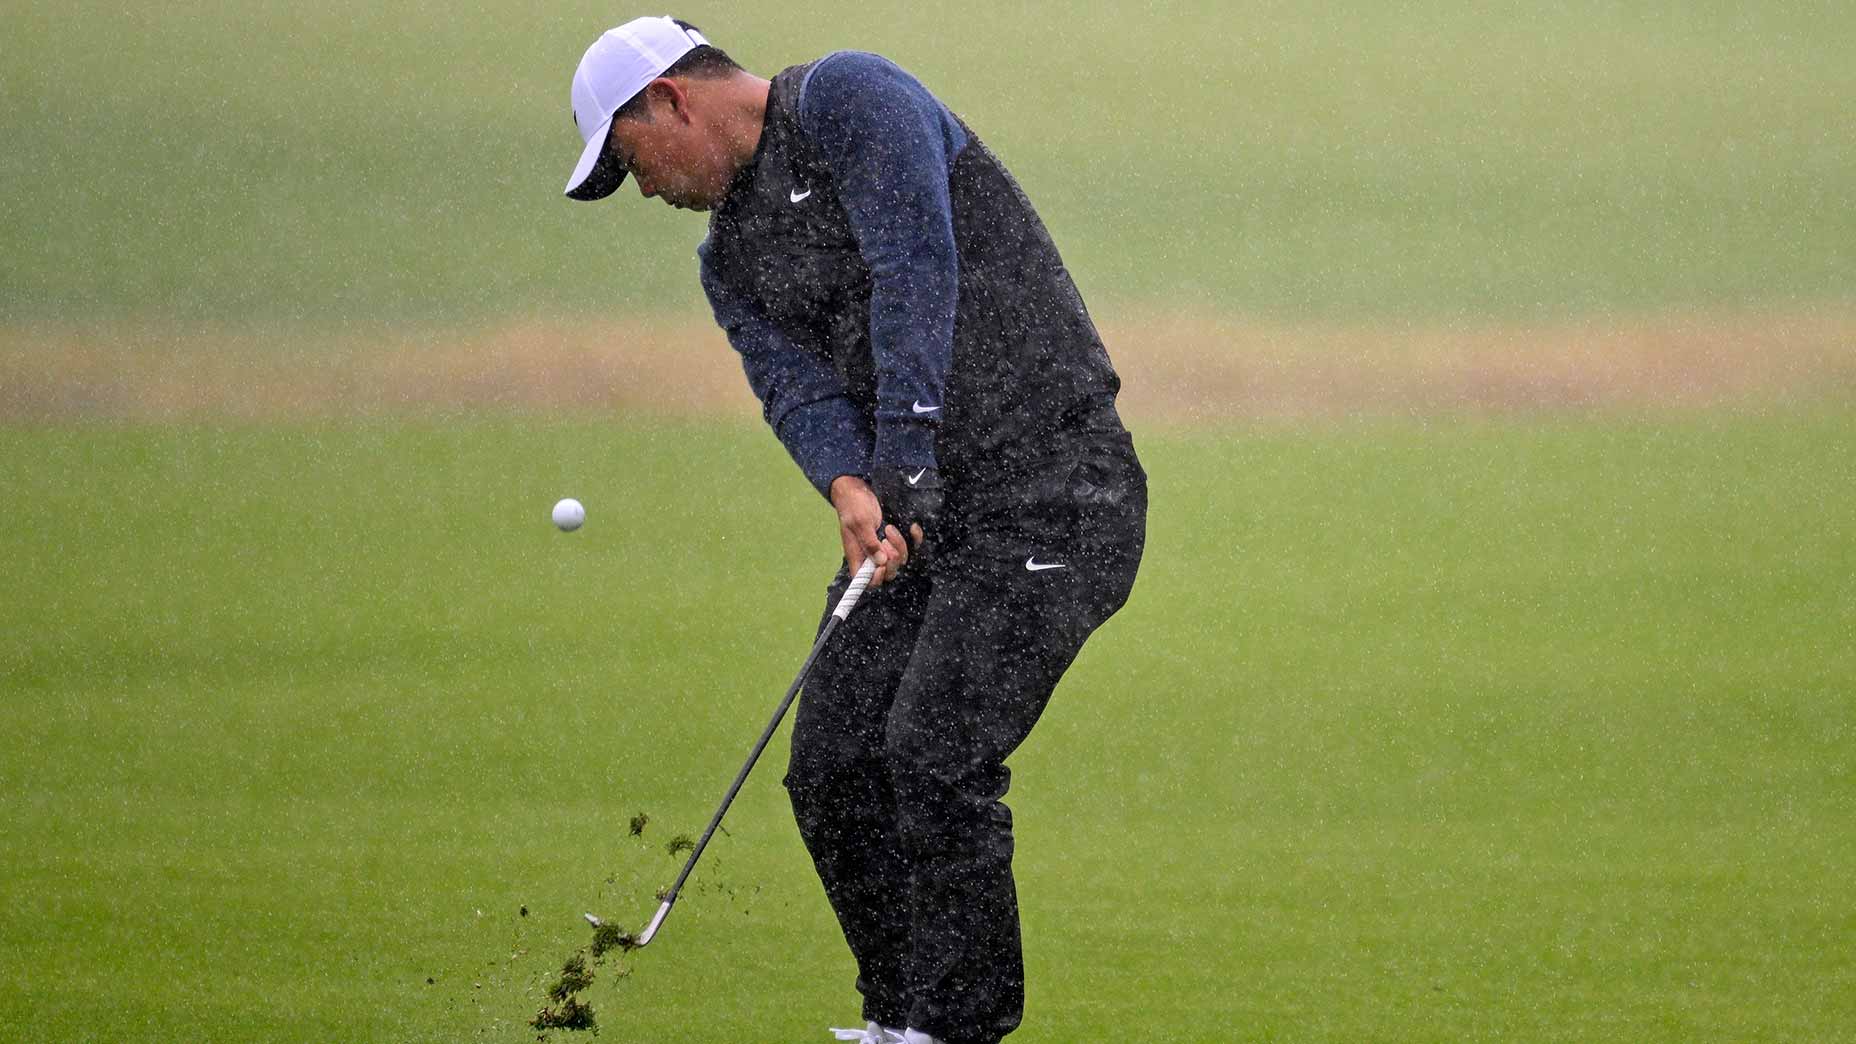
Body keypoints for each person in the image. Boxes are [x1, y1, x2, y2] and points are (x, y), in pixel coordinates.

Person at [561, 17, 1147, 1044]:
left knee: (931, 753)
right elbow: (792, 386)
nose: (642, 189)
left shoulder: (848, 101)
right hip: (922, 521)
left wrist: (907, 448)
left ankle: (956, 1030)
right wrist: (848, 481)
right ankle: (898, 1020)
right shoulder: (726, 262)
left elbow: (912, 261)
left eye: (629, 160)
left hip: (1056, 491)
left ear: (669, 100)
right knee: (830, 768)